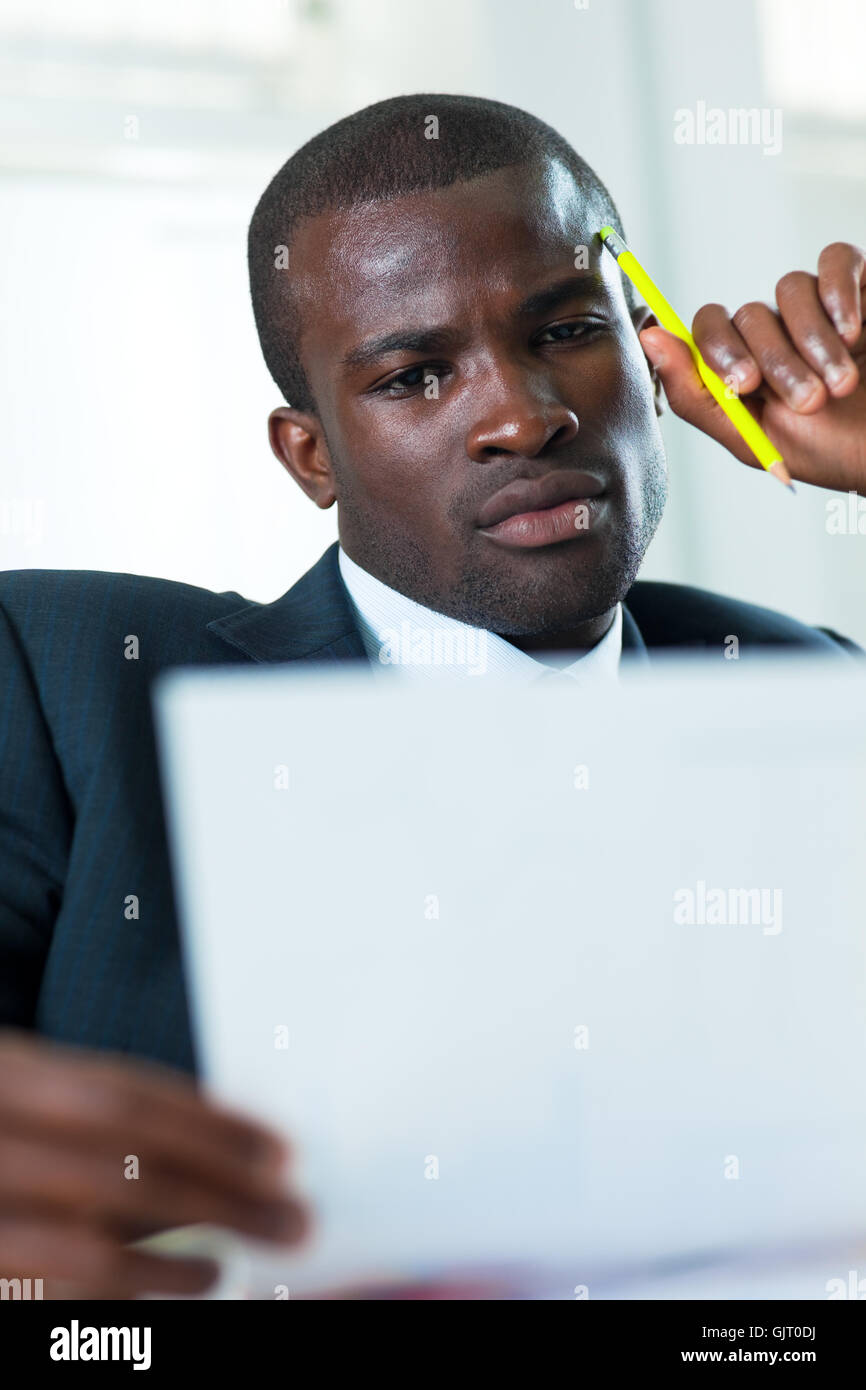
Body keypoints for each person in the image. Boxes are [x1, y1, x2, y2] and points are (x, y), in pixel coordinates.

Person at [1, 94, 863, 1299]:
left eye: (566, 329)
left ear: (654, 351)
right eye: (413, 376)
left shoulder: (807, 691)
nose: (521, 415)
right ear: (311, 456)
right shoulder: (66, 677)